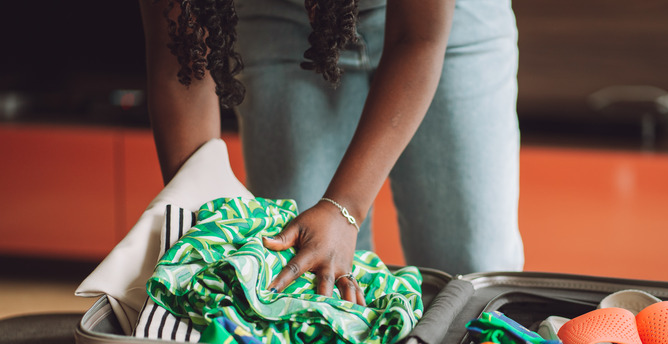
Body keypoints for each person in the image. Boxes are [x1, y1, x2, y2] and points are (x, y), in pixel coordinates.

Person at [138, 0, 524, 305]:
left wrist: (345, 207)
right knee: (304, 277)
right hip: (278, 20)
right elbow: (180, 58)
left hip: (446, 22)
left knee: (474, 269)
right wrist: (197, 220)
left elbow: (417, 37)